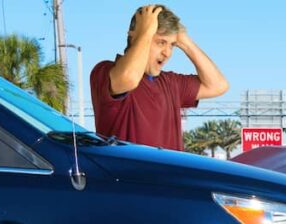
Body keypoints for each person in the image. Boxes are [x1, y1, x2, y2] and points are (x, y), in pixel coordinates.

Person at [90, 4, 228, 151]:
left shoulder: (171, 83)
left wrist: (185, 43)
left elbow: (218, 85)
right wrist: (146, 32)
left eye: (172, 45)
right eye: (161, 42)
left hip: (171, 174)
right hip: (126, 174)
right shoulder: (104, 72)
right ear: (134, 36)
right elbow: (129, 77)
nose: (167, 53)